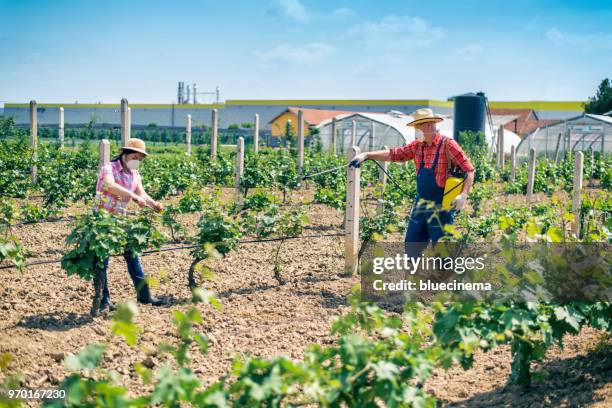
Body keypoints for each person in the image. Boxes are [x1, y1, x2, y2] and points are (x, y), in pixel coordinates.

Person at [349, 108, 475, 259]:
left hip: (442, 205)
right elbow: (394, 154)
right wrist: (367, 155)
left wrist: (463, 195)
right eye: (423, 124)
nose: (428, 126)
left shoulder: (448, 145)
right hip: (421, 204)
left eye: (430, 123)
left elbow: (469, 170)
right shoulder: (417, 147)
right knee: (412, 244)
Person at [94, 138, 165, 312]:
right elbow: (110, 186)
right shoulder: (109, 168)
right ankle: (104, 300)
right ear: (126, 153)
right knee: (102, 261)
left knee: (132, 255)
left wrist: (154, 204)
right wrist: (133, 197)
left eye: (140, 159)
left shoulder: (134, 174)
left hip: (121, 220)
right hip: (103, 220)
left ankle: (144, 295)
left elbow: (142, 193)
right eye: (136, 157)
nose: (138, 161)